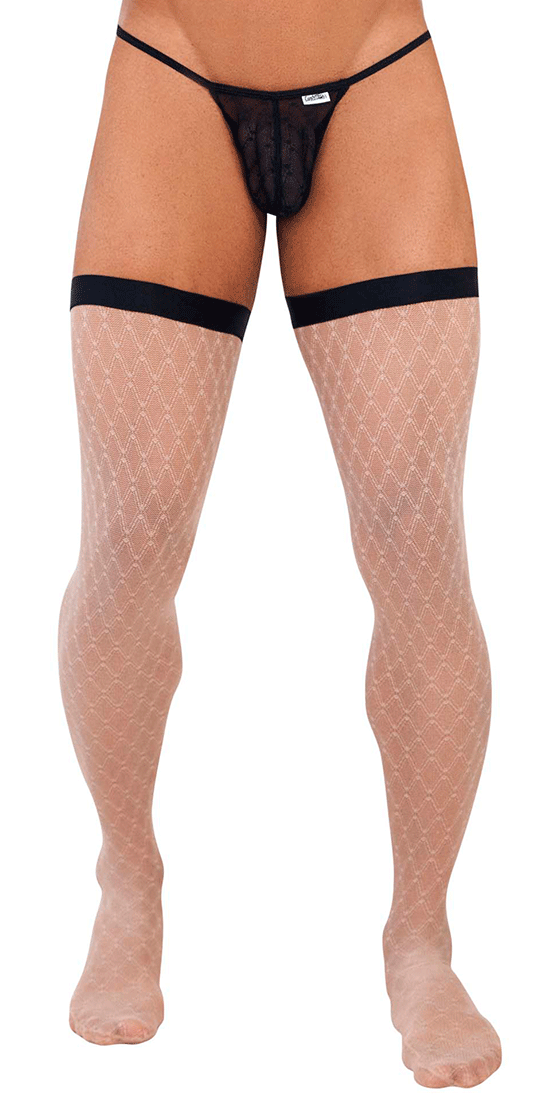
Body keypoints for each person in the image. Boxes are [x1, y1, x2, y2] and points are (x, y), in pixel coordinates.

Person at [58, 0, 502, 1086]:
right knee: (133, 523)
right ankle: (128, 878)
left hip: (374, 59)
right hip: (174, 57)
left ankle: (420, 937)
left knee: (414, 526)